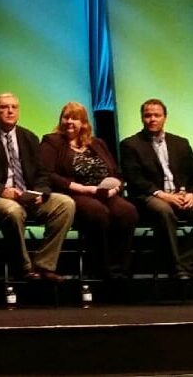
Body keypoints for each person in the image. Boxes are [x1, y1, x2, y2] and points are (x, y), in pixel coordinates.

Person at [0, 93, 75, 281]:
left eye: (14, 107)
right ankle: (24, 268)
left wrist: (40, 192)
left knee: (65, 204)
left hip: (28, 195)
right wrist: (2, 190)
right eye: (4, 107)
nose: (10, 111)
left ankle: (45, 265)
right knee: (12, 211)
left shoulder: (29, 136)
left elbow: (42, 172)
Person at [40, 102, 138, 279]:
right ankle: (100, 269)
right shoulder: (52, 141)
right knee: (98, 213)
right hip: (75, 192)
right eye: (66, 117)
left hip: (104, 192)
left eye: (75, 118)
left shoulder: (97, 143)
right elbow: (48, 174)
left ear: (84, 123)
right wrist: (84, 189)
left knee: (127, 211)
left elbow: (116, 172)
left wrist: (115, 188)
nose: (70, 122)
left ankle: (119, 270)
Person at [120, 98, 193, 279]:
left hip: (181, 195)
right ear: (142, 118)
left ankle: (185, 262)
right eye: (148, 115)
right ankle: (177, 269)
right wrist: (162, 195)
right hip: (148, 197)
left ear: (164, 117)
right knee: (164, 211)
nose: (152, 119)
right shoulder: (130, 144)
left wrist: (191, 193)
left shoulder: (181, 143)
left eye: (157, 115)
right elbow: (134, 178)